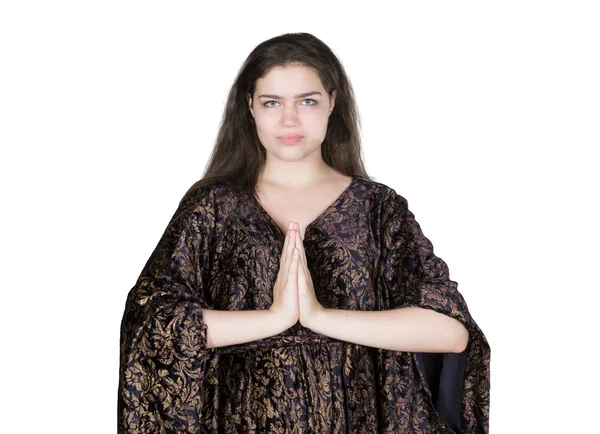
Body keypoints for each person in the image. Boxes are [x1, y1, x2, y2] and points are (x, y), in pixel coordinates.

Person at [117, 32, 490, 433]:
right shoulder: (212, 208)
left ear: (333, 102)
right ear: (250, 108)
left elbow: (450, 332)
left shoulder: (378, 209)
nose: (289, 119)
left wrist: (318, 316)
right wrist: (275, 317)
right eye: (272, 102)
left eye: (307, 101)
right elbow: (150, 325)